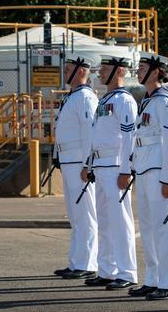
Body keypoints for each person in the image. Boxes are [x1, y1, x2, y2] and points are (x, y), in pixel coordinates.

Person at [128, 52, 168, 300]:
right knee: (149, 228)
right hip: (144, 170)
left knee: (164, 229)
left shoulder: (164, 101)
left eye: (142, 67)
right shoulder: (147, 101)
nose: (138, 71)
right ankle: (153, 278)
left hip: (159, 173)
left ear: (156, 71)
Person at [82, 55, 138, 290]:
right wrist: (89, 164)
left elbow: (129, 137)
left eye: (105, 69)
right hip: (101, 166)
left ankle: (127, 271)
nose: (100, 73)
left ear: (119, 72)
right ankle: (107, 269)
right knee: (105, 222)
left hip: (116, 167)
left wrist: (126, 170)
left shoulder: (125, 101)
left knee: (120, 222)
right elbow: (97, 135)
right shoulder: (106, 99)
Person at [52, 53, 99, 279]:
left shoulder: (85, 98)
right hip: (68, 161)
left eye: (69, 67)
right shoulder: (72, 96)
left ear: (81, 71)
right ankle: (76, 261)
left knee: (85, 214)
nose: (64, 71)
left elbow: (90, 132)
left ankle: (88, 263)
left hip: (79, 163)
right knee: (75, 215)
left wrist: (87, 165)